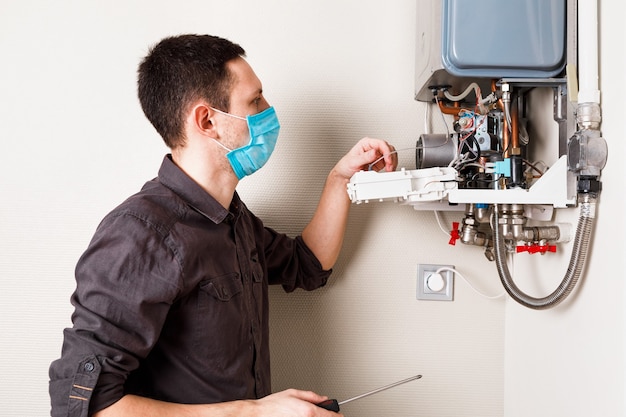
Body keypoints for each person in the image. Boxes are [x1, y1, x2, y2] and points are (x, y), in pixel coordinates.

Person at [49, 34, 397, 417]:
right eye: (255, 100)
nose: (269, 111)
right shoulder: (141, 233)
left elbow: (308, 264)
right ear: (207, 120)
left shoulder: (233, 217)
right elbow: (84, 406)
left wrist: (339, 178)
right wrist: (256, 412)